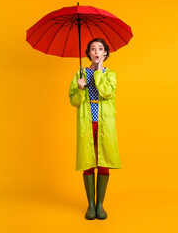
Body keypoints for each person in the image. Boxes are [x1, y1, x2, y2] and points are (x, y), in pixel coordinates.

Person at [68, 38, 121, 220]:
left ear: (105, 53)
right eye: (93, 48)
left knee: (103, 162)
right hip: (87, 122)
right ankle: (91, 205)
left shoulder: (110, 74)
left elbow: (106, 92)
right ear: (88, 53)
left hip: (104, 123)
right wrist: (81, 88)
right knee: (88, 161)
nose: (96, 51)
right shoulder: (80, 74)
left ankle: (100, 205)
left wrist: (98, 72)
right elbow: (74, 101)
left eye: (100, 48)